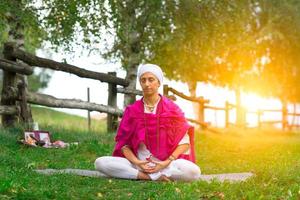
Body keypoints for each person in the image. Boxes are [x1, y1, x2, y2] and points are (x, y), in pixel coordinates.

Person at [94, 64, 201, 181]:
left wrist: (166, 162)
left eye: (151, 80)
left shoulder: (172, 109)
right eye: (143, 80)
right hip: (139, 165)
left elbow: (184, 143)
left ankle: (159, 174)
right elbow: (124, 145)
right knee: (100, 163)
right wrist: (138, 163)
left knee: (194, 171)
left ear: (158, 82)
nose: (147, 84)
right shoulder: (132, 110)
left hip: (166, 165)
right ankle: (146, 177)